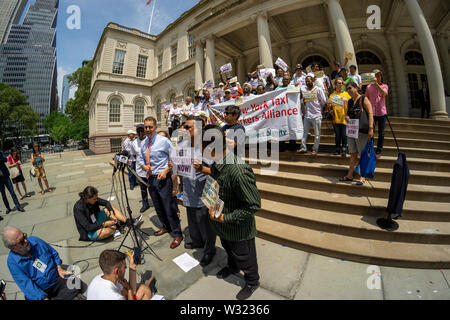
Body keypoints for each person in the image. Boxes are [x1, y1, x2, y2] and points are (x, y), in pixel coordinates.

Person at [194, 126, 261, 300]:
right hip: (222, 226)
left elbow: (253, 205)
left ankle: (252, 281)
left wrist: (225, 217)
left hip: (238, 230)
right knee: (229, 251)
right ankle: (232, 267)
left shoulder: (238, 170)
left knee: (245, 257)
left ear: (210, 149)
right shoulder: (219, 163)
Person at [138, 117, 183, 249]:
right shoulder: (143, 143)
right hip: (150, 178)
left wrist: (167, 170)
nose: (147, 129)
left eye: (150, 127)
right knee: (158, 206)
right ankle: (166, 226)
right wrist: (143, 166)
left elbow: (175, 158)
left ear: (155, 127)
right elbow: (140, 159)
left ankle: (177, 234)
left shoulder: (164, 141)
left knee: (169, 207)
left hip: (163, 178)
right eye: (146, 127)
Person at [3, 227, 82, 300]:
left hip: (56, 278)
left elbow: (53, 253)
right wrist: (43, 298)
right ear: (13, 248)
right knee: (32, 295)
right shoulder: (13, 263)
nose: (26, 240)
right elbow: (27, 285)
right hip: (41, 289)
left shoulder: (35, 241)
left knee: (76, 282)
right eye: (21, 241)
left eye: (24, 236)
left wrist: (59, 268)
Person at [180, 116, 217, 266]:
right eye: (185, 126)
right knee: (192, 221)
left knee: (205, 225)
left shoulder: (207, 147)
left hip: (204, 194)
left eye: (189, 127)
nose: (185, 129)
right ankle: (197, 242)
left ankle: (209, 250)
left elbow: (216, 171)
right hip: (189, 190)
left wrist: (201, 168)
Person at [340, 81, 374, 186]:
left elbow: (370, 113)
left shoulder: (363, 98)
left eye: (350, 88)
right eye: (347, 89)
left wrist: (371, 128)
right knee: (353, 154)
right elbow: (348, 114)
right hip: (351, 131)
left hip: (362, 131)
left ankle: (362, 176)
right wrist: (347, 117)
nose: (348, 91)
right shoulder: (350, 101)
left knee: (362, 153)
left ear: (356, 88)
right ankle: (349, 175)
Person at [87, 249, 153, 300]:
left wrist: (132, 266)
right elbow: (130, 291)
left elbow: (132, 291)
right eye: (124, 267)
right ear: (117, 271)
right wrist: (129, 289)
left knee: (143, 288)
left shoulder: (100, 277)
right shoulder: (115, 297)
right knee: (145, 291)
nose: (126, 268)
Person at [299, 76, 327, 155]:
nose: (307, 83)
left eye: (309, 81)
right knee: (304, 132)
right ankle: (303, 147)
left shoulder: (318, 89)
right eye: (306, 82)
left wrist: (318, 107)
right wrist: (304, 101)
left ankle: (315, 149)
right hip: (307, 114)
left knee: (317, 134)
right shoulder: (305, 90)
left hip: (316, 115)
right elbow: (302, 101)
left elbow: (324, 101)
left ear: (312, 81)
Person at [365, 69, 388, 157]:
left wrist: (377, 85)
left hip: (382, 112)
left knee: (381, 133)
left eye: (379, 75)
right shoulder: (368, 87)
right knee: (371, 132)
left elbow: (383, 94)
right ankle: (370, 149)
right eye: (376, 75)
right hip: (372, 113)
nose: (378, 77)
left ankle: (379, 150)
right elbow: (366, 99)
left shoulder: (384, 86)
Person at [327, 78, 352, 156]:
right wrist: (329, 104)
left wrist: (347, 102)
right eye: (339, 83)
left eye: (341, 83)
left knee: (344, 135)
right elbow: (329, 107)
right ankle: (337, 149)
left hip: (344, 117)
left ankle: (344, 149)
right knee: (337, 135)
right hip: (336, 118)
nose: (341, 85)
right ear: (335, 85)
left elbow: (352, 104)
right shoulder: (332, 95)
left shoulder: (346, 94)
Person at [131, 125, 152, 213]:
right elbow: (135, 155)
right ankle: (145, 204)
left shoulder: (150, 140)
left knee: (152, 188)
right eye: (138, 131)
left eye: (142, 131)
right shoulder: (134, 143)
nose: (140, 133)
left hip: (150, 169)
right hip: (140, 170)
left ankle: (157, 203)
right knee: (143, 189)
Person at [1, 150, 25, 215]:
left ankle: (18, 206)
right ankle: (8, 208)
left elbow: (5, 159)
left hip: (5, 176)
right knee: (3, 194)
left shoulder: (0, 152)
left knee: (12, 192)